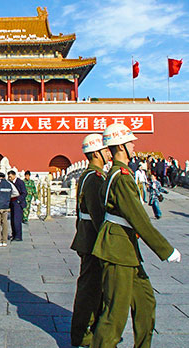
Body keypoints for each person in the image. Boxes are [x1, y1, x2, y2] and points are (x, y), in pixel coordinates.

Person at [91, 124, 181, 348]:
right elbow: (138, 217)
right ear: (120, 146)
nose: (134, 146)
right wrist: (166, 249)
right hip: (117, 250)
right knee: (115, 314)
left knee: (145, 302)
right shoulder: (121, 178)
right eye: (131, 143)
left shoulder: (121, 174)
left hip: (126, 248)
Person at [70, 133, 110, 348]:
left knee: (93, 288)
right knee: (90, 290)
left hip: (87, 238)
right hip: (93, 241)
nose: (108, 153)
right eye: (105, 150)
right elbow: (97, 214)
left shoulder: (89, 175)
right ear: (96, 153)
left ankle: (89, 331)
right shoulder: (94, 178)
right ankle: (83, 335)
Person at [8, 170, 27, 241]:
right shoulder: (10, 182)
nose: (9, 178)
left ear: (14, 175)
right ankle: (14, 234)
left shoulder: (20, 182)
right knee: (12, 220)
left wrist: (19, 200)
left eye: (10, 176)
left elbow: (24, 193)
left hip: (18, 203)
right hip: (12, 203)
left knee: (17, 220)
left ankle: (18, 236)